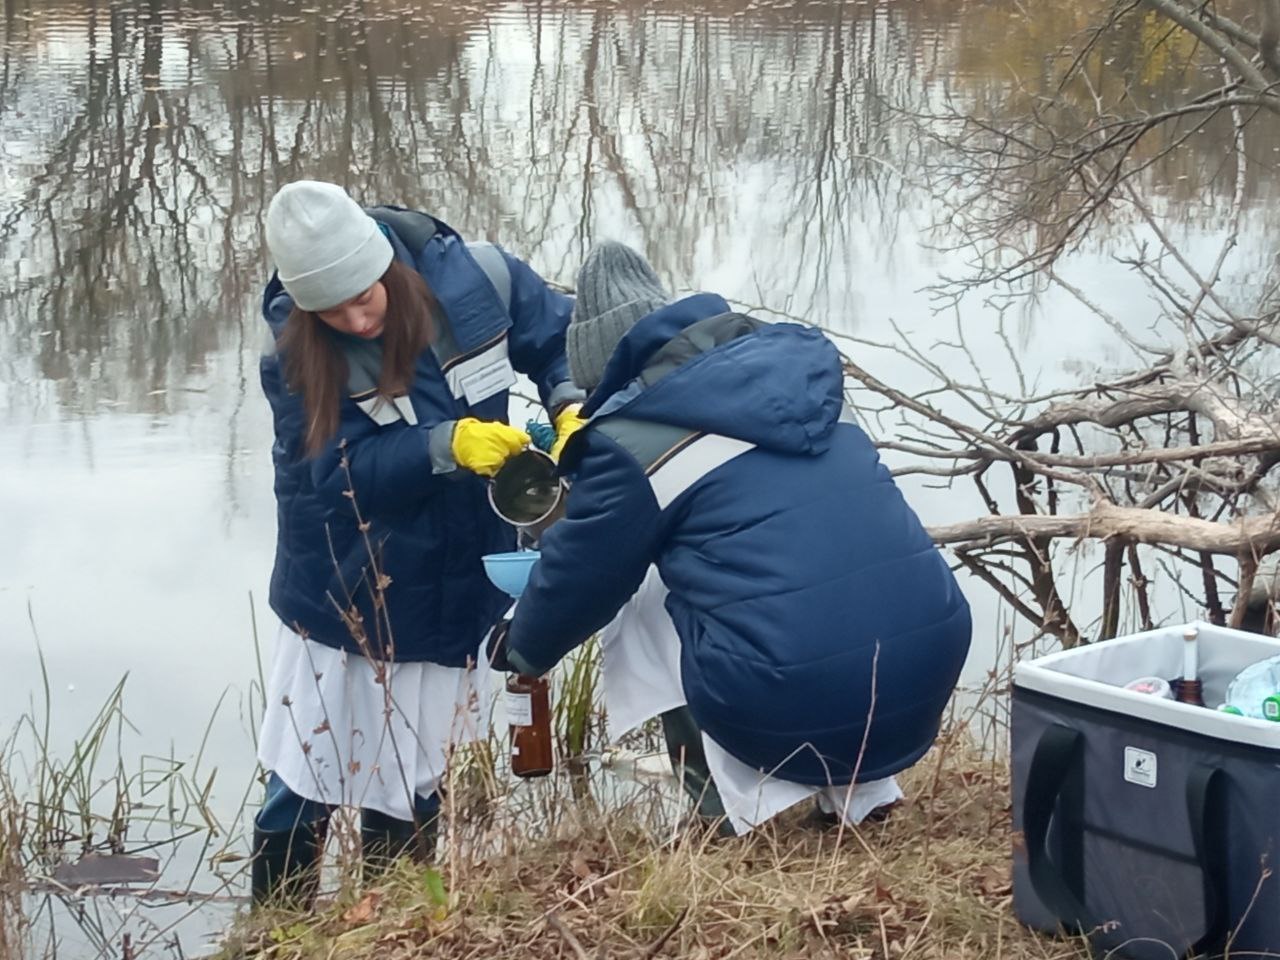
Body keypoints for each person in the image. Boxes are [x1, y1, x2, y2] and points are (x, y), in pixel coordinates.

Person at [488, 242, 972, 836]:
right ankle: (861, 798)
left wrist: (524, 648)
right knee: (808, 567)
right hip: (926, 672)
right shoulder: (809, 388)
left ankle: (720, 815)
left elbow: (582, 577)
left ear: (609, 367)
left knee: (648, 600)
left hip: (797, 703)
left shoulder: (631, 442)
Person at [252, 180, 584, 905]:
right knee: (309, 776)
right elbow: (333, 475)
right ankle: (275, 932)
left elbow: (559, 336)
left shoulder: (481, 282)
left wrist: (567, 401)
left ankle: (392, 919)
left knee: (412, 774)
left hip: (461, 576)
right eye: (331, 309)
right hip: (347, 588)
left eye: (363, 295)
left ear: (387, 265)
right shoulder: (296, 355)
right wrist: (448, 443)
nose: (353, 316)